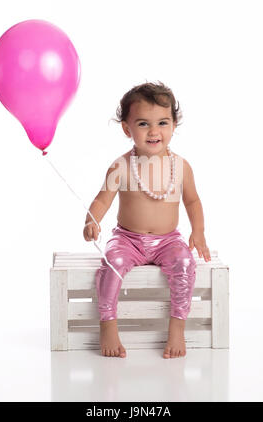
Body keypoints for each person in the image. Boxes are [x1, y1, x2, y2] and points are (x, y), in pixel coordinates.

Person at [83, 81, 211, 359]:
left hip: (168, 239)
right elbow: (103, 199)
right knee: (111, 264)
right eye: (143, 124)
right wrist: (92, 220)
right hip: (128, 238)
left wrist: (197, 232)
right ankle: (108, 324)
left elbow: (192, 200)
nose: (154, 131)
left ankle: (177, 327)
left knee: (185, 263)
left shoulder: (181, 166)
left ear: (174, 125)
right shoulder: (121, 166)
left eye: (162, 122)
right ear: (127, 129)